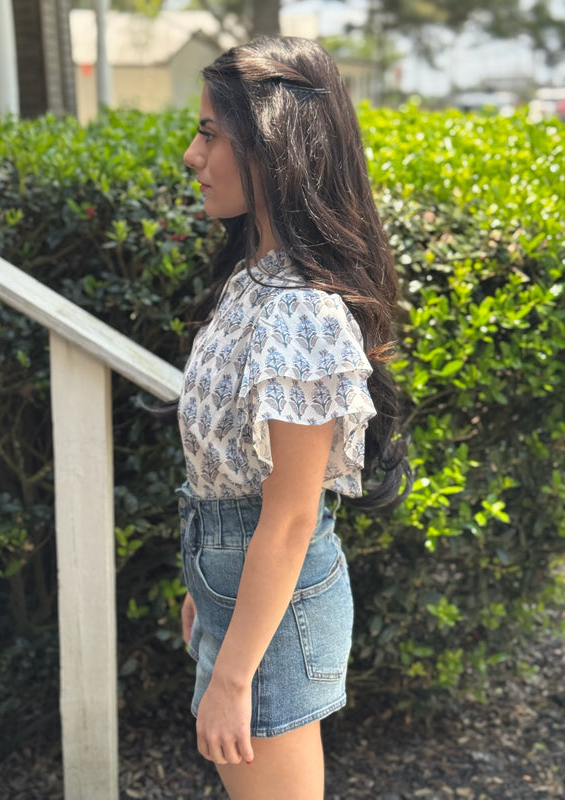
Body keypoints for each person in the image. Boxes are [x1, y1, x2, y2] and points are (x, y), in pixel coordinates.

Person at [176, 35, 409, 800]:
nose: (191, 155)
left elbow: (288, 517)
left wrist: (233, 674)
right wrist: (206, 582)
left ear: (272, 145)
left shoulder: (301, 310)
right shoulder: (257, 279)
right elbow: (230, 473)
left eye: (210, 133)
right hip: (245, 595)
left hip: (270, 612)